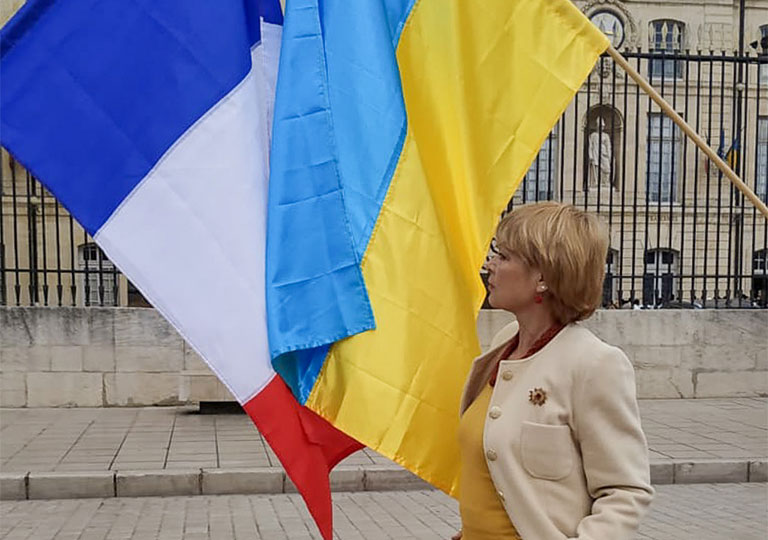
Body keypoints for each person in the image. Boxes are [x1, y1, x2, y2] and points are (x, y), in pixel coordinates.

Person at [454, 202, 653, 540]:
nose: (489, 265)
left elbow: (625, 492)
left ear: (543, 278)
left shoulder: (594, 364)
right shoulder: (504, 344)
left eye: (503, 257)